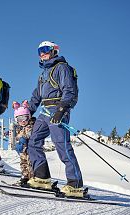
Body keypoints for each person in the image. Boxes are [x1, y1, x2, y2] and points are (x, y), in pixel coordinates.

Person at [26, 41, 84, 198]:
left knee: (61, 145)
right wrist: (28, 111)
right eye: (39, 51)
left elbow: (69, 90)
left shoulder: (62, 68)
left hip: (58, 109)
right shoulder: (43, 73)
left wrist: (61, 110)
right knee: (33, 141)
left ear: (54, 51)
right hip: (44, 111)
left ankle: (75, 184)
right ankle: (42, 177)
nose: (42, 53)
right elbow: (36, 95)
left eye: (45, 50)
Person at [12, 101, 35, 186]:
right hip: (23, 151)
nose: (23, 121)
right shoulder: (20, 128)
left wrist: (24, 138)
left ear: (28, 117)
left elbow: (30, 134)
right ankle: (25, 177)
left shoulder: (30, 126)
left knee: (30, 163)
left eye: (25, 118)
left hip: (30, 150)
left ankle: (33, 178)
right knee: (23, 163)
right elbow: (18, 136)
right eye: (19, 119)